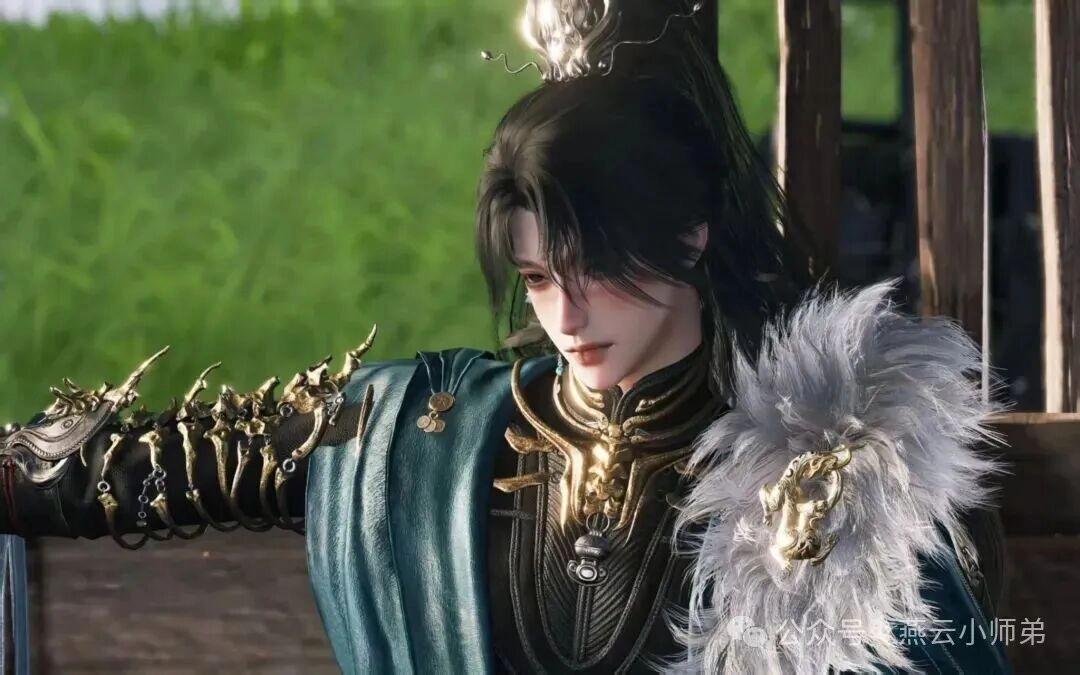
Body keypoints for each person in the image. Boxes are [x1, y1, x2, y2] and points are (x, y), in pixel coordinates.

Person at [0, 1, 1011, 673]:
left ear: (690, 233)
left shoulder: (829, 472)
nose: (565, 317)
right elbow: (189, 464)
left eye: (594, 270)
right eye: (535, 280)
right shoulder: (434, 436)